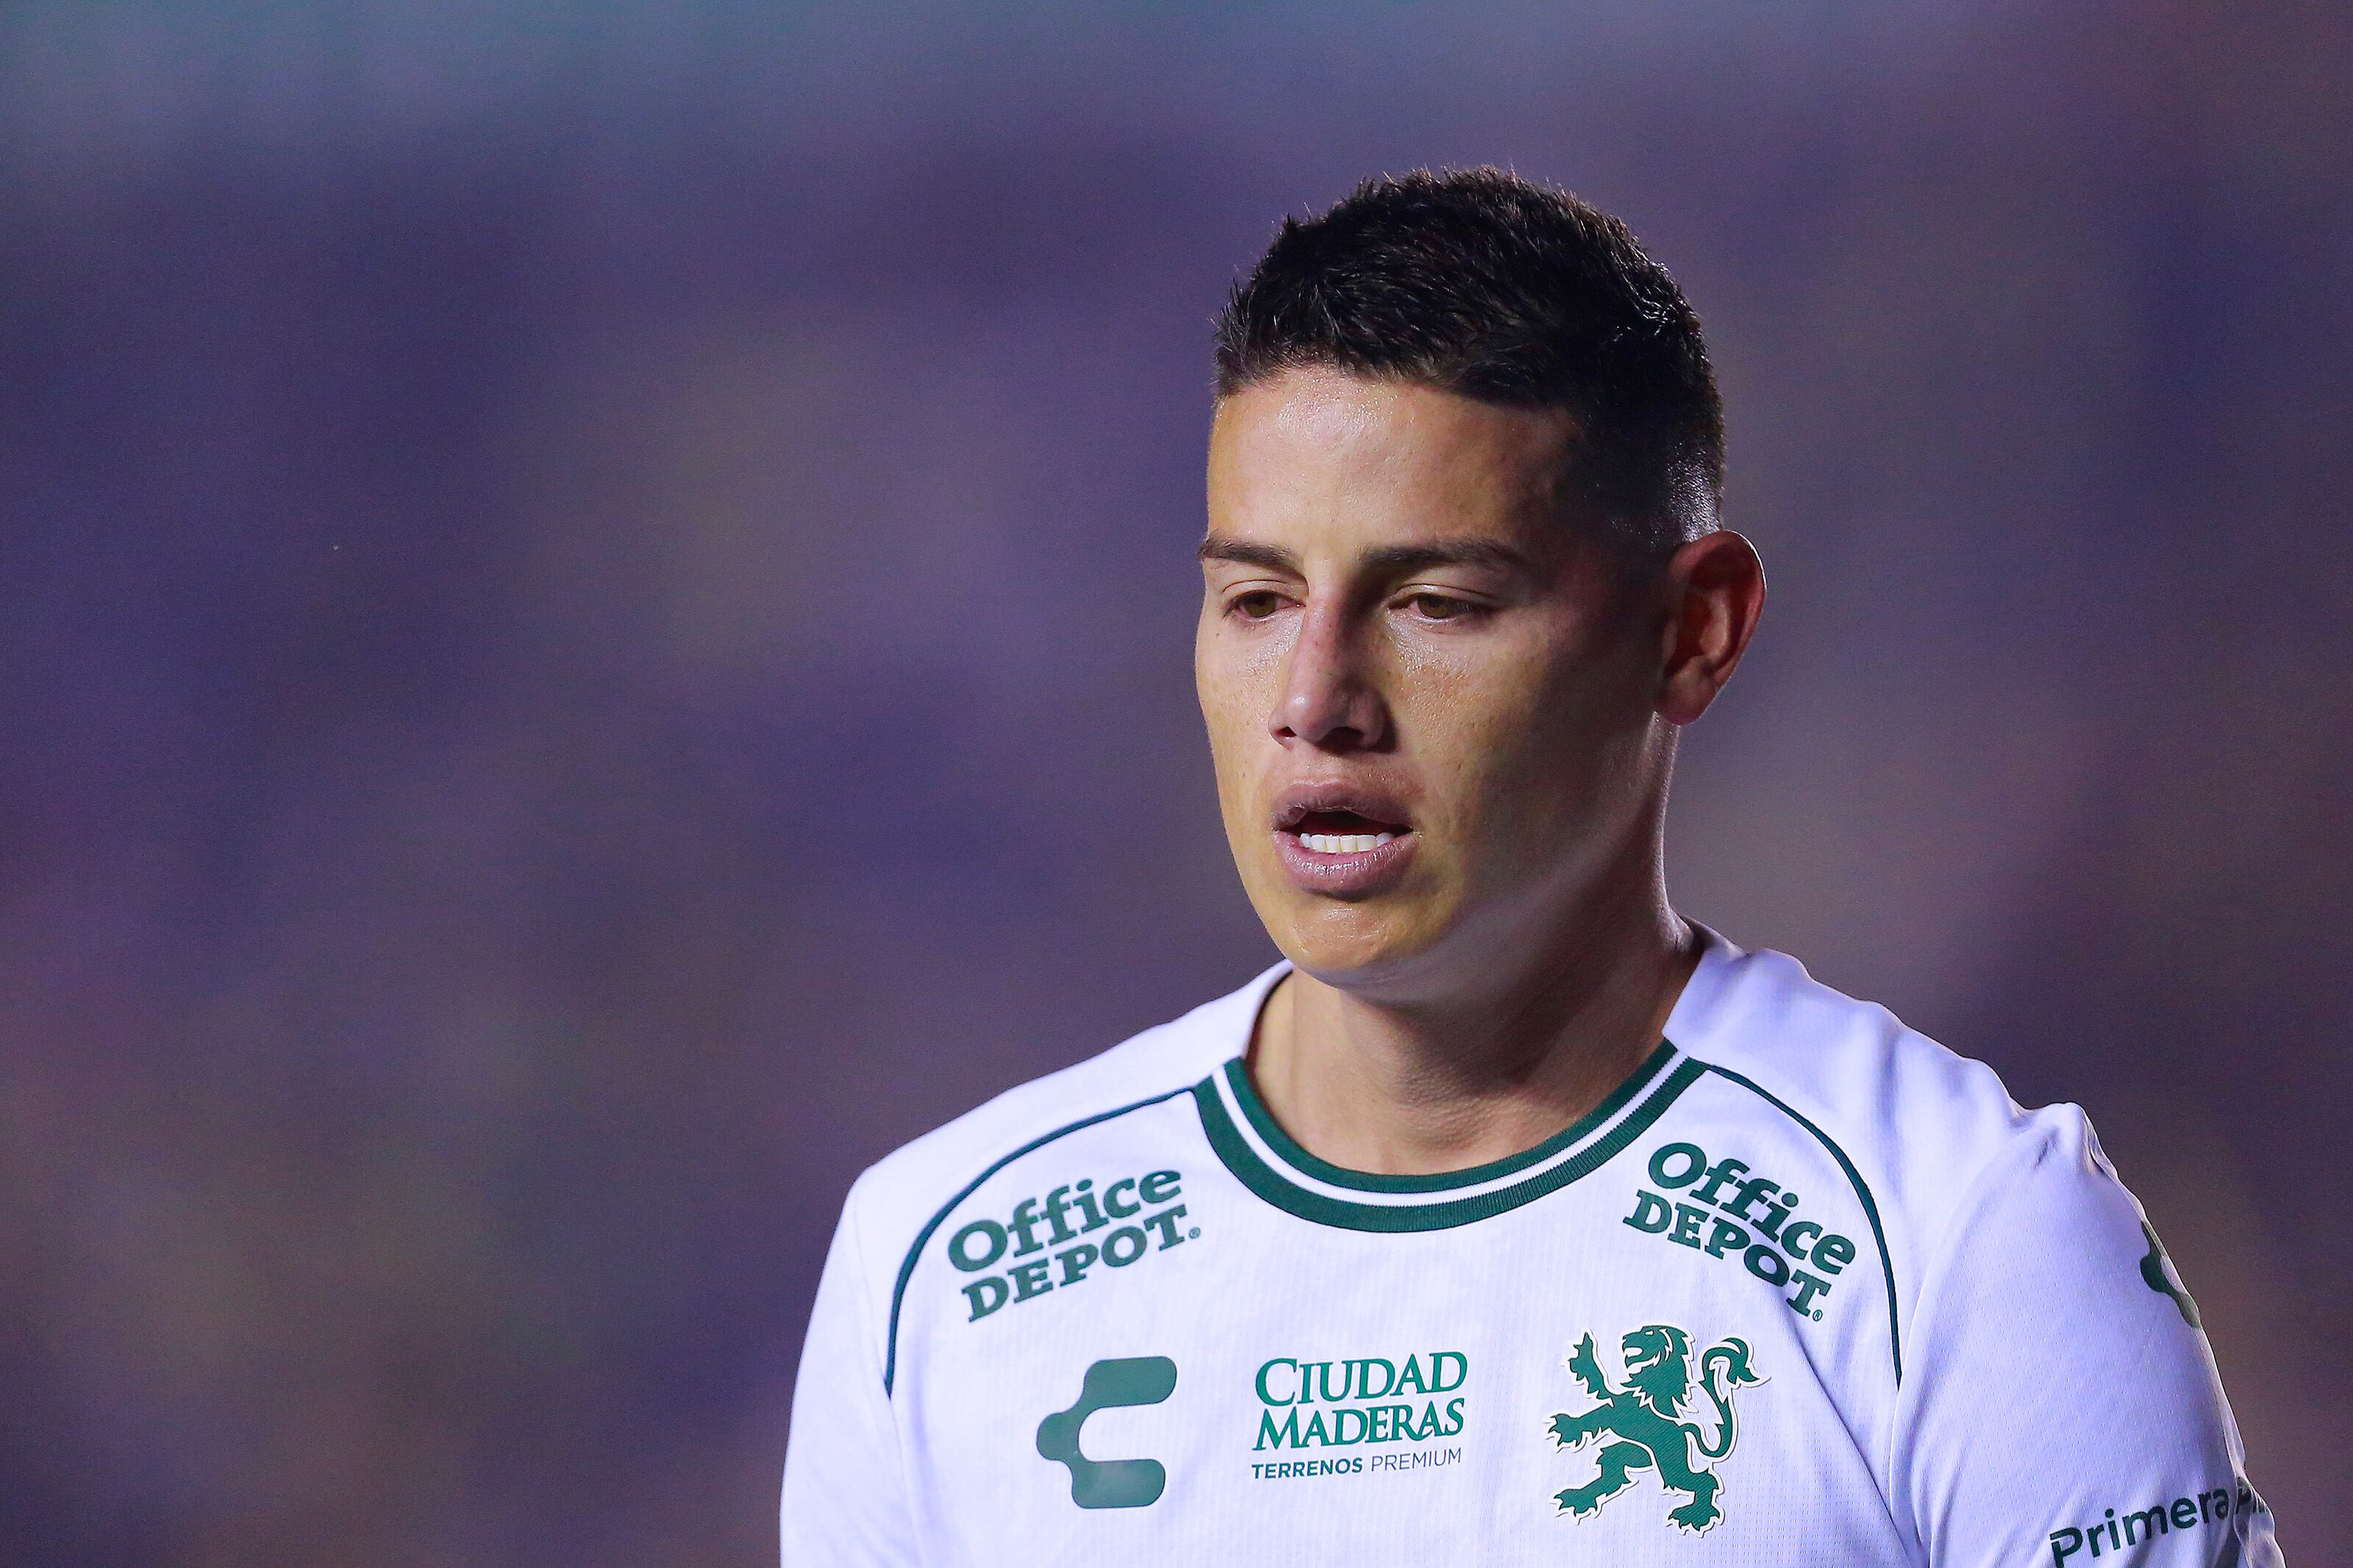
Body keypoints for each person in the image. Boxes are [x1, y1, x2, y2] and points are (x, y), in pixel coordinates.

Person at [779, 167, 2279, 1565]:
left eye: (1432, 599)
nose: (1316, 697)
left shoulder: (1957, 1246)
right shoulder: (950, 1265)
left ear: (1690, 630)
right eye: (1255, 597)